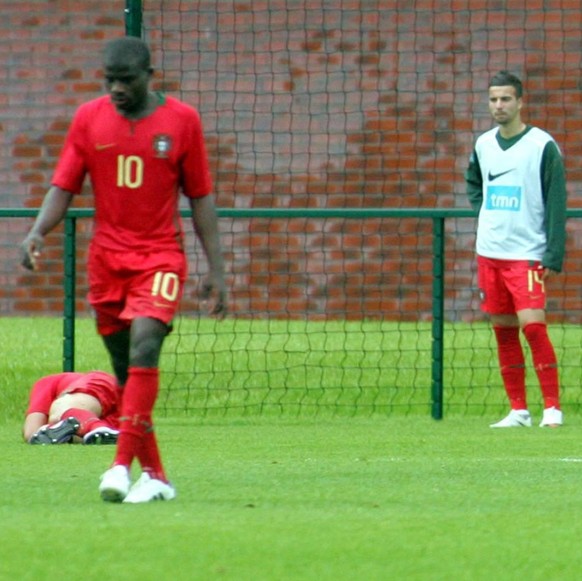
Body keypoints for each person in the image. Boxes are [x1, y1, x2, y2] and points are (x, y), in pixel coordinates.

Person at [21, 36, 227, 503]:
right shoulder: (89, 119)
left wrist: (217, 270)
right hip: (106, 263)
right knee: (126, 374)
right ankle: (155, 475)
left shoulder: (182, 121)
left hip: (159, 257)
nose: (116, 88)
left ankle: (118, 468)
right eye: (109, 80)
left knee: (146, 343)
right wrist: (37, 232)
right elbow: (63, 185)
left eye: (125, 80)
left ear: (148, 76)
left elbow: (201, 198)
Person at [465, 70, 567, 429]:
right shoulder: (483, 144)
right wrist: (484, 211)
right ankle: (518, 410)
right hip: (490, 252)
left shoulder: (542, 145)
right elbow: (474, 181)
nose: (499, 105)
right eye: (493, 99)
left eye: (506, 98)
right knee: (503, 330)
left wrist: (553, 253)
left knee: (533, 327)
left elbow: (557, 201)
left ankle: (552, 408)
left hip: (527, 253)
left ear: (520, 102)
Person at [24, 371, 121, 445]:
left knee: (59, 413)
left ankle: (98, 427)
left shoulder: (44, 383)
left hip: (101, 383)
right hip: (119, 415)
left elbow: (32, 431)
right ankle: (99, 429)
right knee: (81, 431)